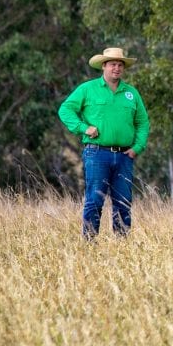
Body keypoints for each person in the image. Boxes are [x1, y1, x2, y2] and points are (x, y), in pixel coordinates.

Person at [57, 46, 151, 239]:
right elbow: (65, 110)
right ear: (104, 66)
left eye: (119, 65)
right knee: (94, 200)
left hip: (125, 156)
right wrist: (83, 128)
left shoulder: (131, 93)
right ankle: (90, 243)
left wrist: (137, 147)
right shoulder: (87, 89)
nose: (116, 68)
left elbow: (142, 122)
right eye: (112, 64)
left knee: (123, 202)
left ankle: (122, 246)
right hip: (97, 153)